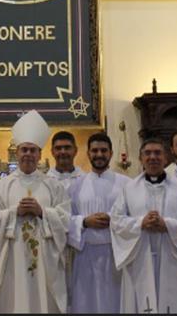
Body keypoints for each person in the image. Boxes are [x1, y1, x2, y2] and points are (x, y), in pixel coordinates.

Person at [0, 109, 71, 313]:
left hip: (45, 261)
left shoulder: (53, 185)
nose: (28, 154)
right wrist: (14, 212)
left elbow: (66, 219)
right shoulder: (3, 186)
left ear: (40, 154)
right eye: (24, 150)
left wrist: (43, 212)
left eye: (33, 150)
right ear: (17, 152)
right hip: (13, 260)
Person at [110, 137, 177, 313]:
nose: (153, 157)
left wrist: (166, 224)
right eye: (147, 153)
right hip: (139, 260)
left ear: (166, 158)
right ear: (140, 158)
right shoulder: (129, 189)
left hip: (172, 259)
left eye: (157, 153)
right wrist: (140, 223)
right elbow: (116, 220)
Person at [66, 133, 130, 313]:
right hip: (85, 255)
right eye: (95, 150)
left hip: (116, 255)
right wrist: (84, 222)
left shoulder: (126, 184)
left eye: (103, 150)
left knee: (114, 304)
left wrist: (113, 219)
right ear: (88, 153)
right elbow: (65, 219)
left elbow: (134, 217)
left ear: (111, 153)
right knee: (86, 305)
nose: (99, 154)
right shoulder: (76, 186)